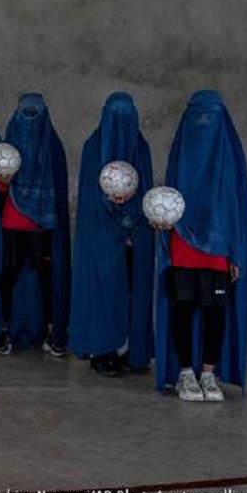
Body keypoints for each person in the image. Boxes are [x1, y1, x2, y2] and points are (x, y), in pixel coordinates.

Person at [155, 90, 247, 402]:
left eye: (211, 115)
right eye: (198, 116)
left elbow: (237, 208)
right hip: (183, 241)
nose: (204, 123)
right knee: (182, 308)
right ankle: (185, 373)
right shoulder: (182, 151)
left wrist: (236, 252)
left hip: (219, 245)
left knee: (215, 312)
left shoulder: (231, 157)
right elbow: (167, 200)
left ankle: (209, 374)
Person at [69, 93, 154, 376]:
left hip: (136, 232)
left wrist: (132, 219)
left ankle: (130, 350)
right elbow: (91, 199)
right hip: (101, 235)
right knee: (104, 291)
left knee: (133, 290)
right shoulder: (94, 147)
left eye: (127, 116)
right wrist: (112, 208)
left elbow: (146, 191)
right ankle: (102, 350)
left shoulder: (140, 147)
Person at [0, 93, 71, 357]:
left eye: (36, 113)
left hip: (42, 225)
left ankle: (52, 332)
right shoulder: (7, 146)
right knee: (7, 277)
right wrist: (0, 181)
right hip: (12, 223)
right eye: (25, 113)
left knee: (46, 278)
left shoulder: (53, 148)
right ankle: (3, 331)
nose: (30, 119)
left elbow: (58, 187)